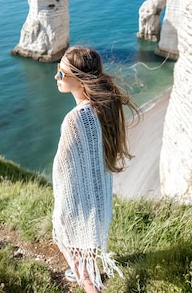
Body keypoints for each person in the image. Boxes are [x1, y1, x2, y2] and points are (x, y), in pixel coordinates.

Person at [52, 46, 140, 292]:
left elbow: (64, 166)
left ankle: (91, 286)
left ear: (79, 80)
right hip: (99, 200)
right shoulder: (105, 107)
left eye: (61, 72)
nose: (56, 77)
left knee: (66, 242)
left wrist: (62, 203)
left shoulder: (74, 119)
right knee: (84, 250)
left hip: (79, 203)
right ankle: (85, 274)